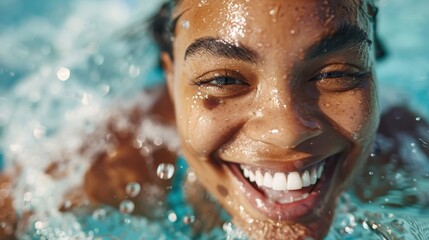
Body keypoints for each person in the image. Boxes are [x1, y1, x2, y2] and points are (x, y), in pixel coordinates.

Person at [1, 0, 428, 239]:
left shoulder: (406, 154)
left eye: (336, 74)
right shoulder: (114, 162)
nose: (287, 130)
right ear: (171, 79)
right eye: (224, 79)